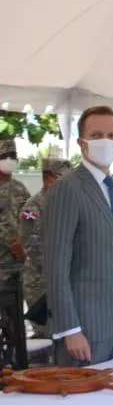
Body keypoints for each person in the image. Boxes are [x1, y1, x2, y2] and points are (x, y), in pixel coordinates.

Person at [43, 106, 113, 365]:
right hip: (84, 330)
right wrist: (70, 330)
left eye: (111, 135)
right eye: (96, 135)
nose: (104, 141)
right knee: (83, 404)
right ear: (81, 142)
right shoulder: (67, 188)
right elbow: (55, 266)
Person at [18, 157, 72, 337]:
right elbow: (30, 244)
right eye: (61, 178)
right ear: (48, 178)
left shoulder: (66, 204)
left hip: (64, 279)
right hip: (39, 283)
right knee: (46, 335)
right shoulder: (31, 208)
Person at [0, 138, 31, 358]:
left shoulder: (19, 188)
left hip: (17, 266)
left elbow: (30, 218)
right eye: (5, 157)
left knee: (15, 319)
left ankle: (16, 361)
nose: (10, 161)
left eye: (13, 157)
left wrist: (23, 243)